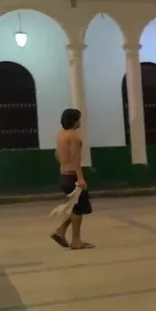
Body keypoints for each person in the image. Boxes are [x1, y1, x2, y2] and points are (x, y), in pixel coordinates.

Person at [52, 107, 94, 250]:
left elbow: (57, 155)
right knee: (78, 209)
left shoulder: (61, 135)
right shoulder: (74, 137)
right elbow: (76, 159)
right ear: (74, 121)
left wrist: (64, 164)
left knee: (74, 208)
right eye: (78, 119)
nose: (80, 122)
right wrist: (80, 179)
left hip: (63, 174)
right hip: (72, 176)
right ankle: (76, 241)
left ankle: (60, 232)